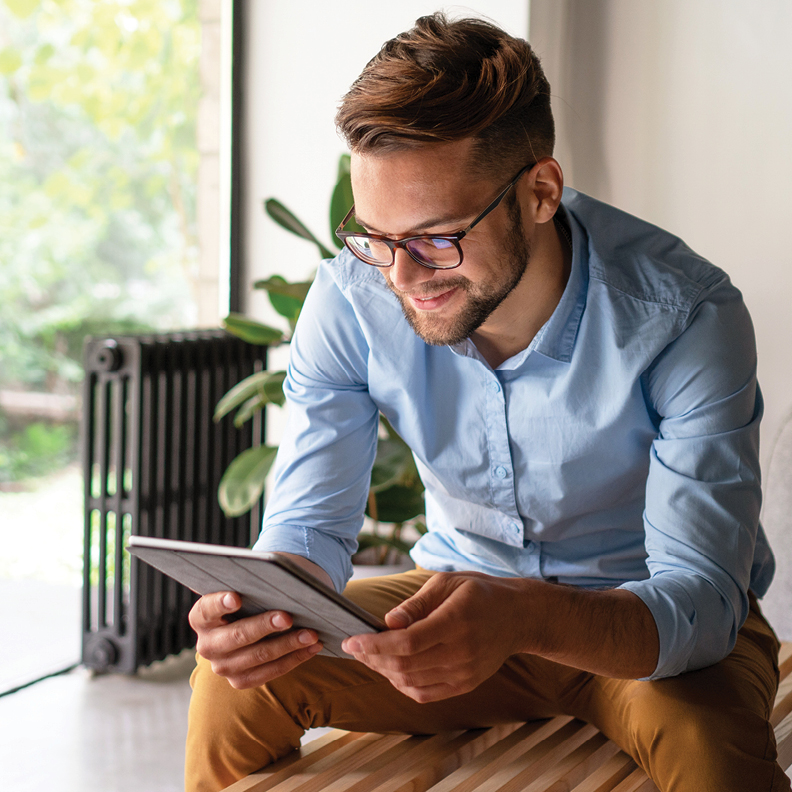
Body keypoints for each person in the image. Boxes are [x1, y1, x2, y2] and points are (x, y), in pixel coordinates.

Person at [185, 13, 787, 792]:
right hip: (450, 605)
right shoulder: (351, 295)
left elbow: (702, 603)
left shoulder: (684, 316)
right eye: (376, 237)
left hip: (641, 628)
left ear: (539, 191)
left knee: (715, 761)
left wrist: (527, 616)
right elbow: (307, 528)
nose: (400, 276)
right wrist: (262, 611)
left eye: (438, 237)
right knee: (233, 688)